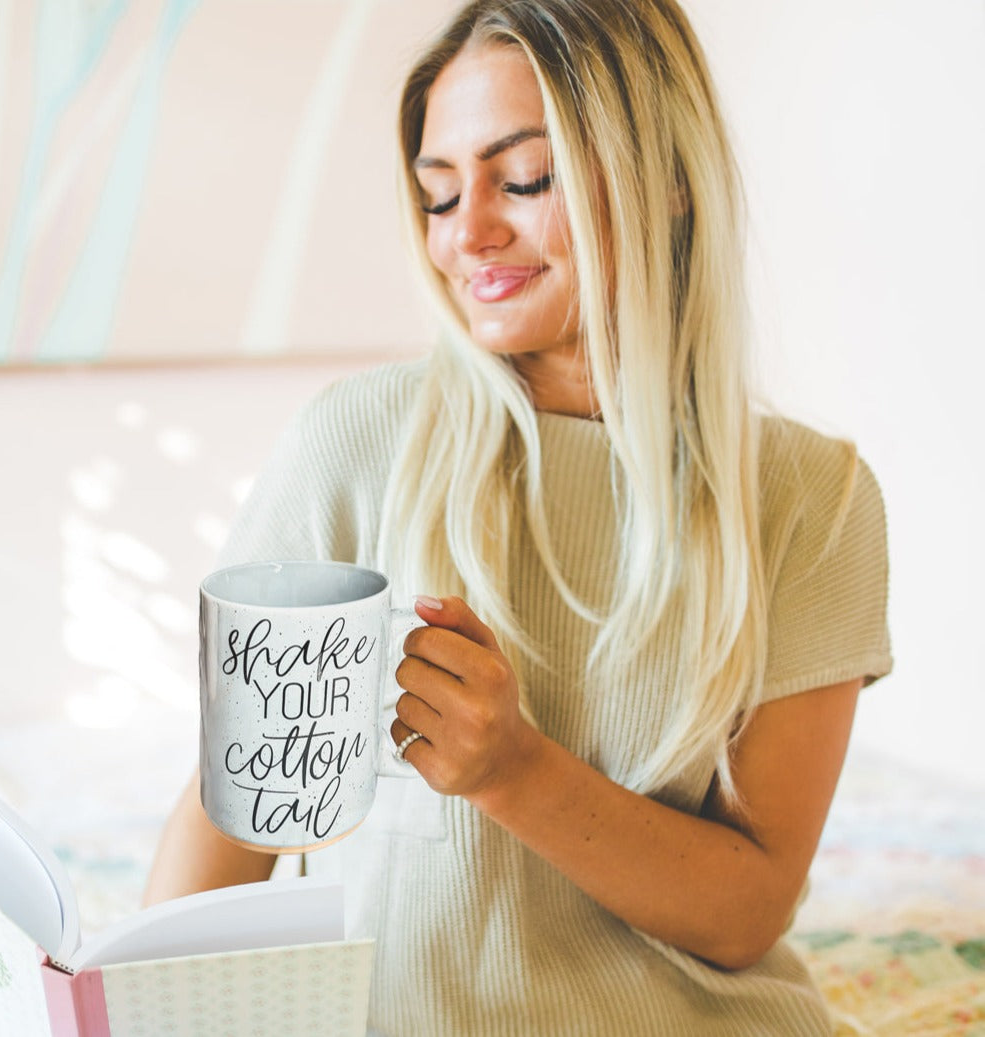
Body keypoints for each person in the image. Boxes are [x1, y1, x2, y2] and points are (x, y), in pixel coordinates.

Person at [145, 1, 892, 1033]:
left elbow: (745, 909)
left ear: (667, 180)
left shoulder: (814, 497)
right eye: (437, 194)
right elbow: (234, 799)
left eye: (523, 178)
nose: (467, 234)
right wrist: (136, 1001)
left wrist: (513, 770)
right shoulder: (356, 439)